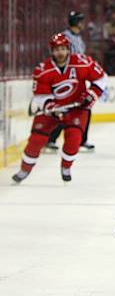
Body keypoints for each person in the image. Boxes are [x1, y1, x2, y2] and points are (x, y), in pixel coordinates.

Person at [12, 33, 107, 184]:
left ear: (68, 49)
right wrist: (51, 107)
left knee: (74, 139)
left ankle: (66, 167)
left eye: (63, 49)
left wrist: (91, 95)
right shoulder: (43, 70)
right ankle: (24, 170)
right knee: (36, 140)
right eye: (56, 49)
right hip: (53, 110)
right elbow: (41, 95)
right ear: (52, 51)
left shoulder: (82, 62)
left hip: (77, 108)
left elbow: (101, 78)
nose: (60, 52)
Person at [46, 11, 96, 153]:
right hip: (67, 79)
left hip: (77, 78)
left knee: (84, 107)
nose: (83, 23)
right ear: (77, 22)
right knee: (68, 109)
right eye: (81, 21)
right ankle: (51, 139)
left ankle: (81, 140)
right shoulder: (64, 37)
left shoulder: (78, 38)